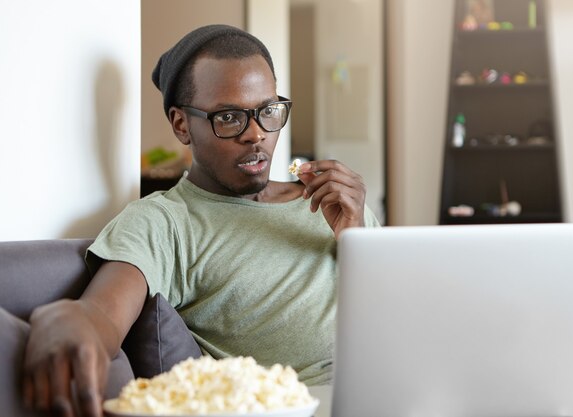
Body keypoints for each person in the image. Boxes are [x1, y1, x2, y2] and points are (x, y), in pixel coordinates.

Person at [21, 24, 379, 417]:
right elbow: (101, 314)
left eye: (267, 110)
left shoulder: (334, 205)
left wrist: (356, 238)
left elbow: (404, 315)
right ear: (181, 125)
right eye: (229, 117)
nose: (256, 134)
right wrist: (65, 318)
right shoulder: (164, 221)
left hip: (395, 388)